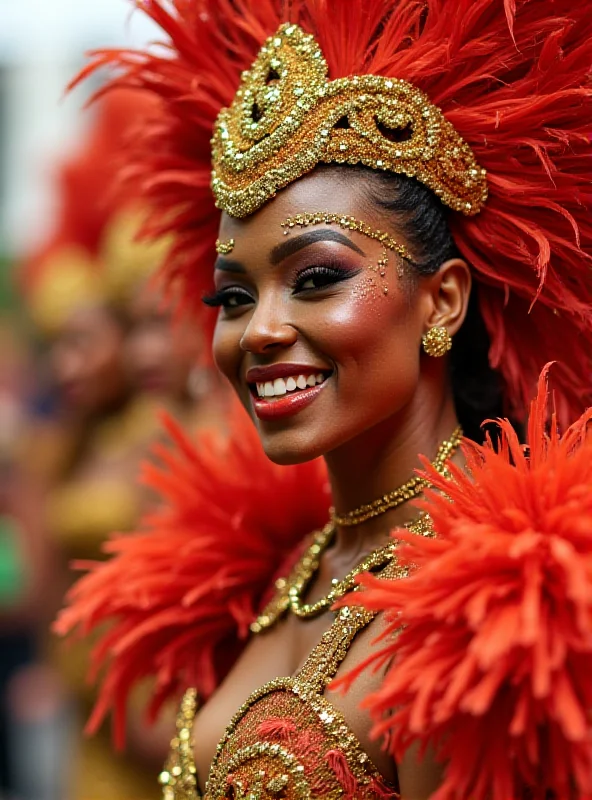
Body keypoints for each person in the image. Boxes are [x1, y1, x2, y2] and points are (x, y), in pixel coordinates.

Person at [57, 1, 592, 798]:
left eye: (316, 280)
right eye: (232, 298)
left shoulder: (497, 615)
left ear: (442, 302)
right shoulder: (277, 571)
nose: (260, 332)